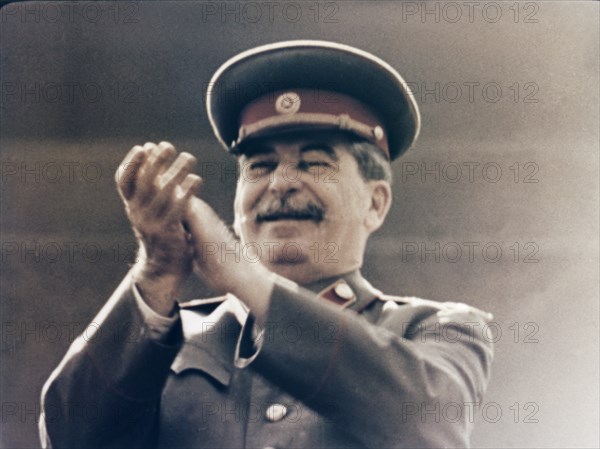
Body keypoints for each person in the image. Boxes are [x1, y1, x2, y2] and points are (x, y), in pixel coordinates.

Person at [39, 40, 494, 449]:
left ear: (375, 203)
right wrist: (155, 273)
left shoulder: (439, 329)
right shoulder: (163, 339)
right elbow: (69, 436)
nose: (280, 183)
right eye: (258, 166)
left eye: (314, 163)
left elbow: (430, 422)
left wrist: (246, 278)